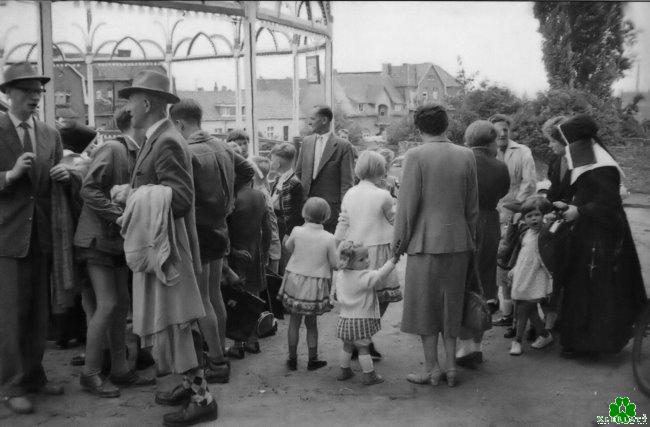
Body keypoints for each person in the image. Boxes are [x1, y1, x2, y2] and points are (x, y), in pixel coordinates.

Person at [118, 70, 218, 425]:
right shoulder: (158, 137)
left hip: (168, 251)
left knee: (176, 323)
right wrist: (134, 194)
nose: (127, 107)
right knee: (175, 321)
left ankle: (203, 398)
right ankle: (188, 386)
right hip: (164, 246)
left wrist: (132, 196)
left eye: (130, 100)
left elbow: (180, 200)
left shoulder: (167, 141)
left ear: (146, 102)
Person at [170, 98, 254, 384]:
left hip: (200, 229)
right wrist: (228, 199)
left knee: (203, 298)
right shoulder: (222, 146)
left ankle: (217, 361)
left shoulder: (188, 152)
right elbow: (248, 171)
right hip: (219, 228)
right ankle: (220, 352)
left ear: (179, 123)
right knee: (215, 294)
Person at [0, 62, 68, 415]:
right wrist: (9, 175)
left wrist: (65, 172)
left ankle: (34, 375)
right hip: (7, 238)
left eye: (38, 91)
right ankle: (11, 386)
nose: (34, 96)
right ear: (8, 94)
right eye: (26, 90)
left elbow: (57, 179)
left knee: (38, 314)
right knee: (10, 315)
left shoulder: (49, 134)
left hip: (41, 236)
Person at [393, 104, 478, 388]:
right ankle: (451, 367)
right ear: (447, 124)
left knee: (425, 309)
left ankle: (432, 369)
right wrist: (470, 239)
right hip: (458, 241)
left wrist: (399, 243)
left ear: (418, 129)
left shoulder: (415, 155)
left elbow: (407, 206)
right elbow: (472, 206)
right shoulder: (466, 155)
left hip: (424, 242)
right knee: (451, 305)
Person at [74, 107, 153, 397]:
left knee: (119, 307)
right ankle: (90, 373)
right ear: (134, 123)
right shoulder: (113, 148)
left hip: (114, 243)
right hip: (97, 241)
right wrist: (119, 214)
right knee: (107, 305)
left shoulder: (132, 152)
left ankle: (120, 369)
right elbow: (89, 190)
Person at [552, 114, 646, 358]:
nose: (566, 147)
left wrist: (579, 210)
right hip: (587, 232)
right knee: (582, 288)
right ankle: (579, 341)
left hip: (601, 237)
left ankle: (594, 345)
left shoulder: (602, 166)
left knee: (597, 291)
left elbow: (608, 204)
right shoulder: (591, 161)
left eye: (567, 140)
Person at [334, 150, 401, 361]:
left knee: (359, 294)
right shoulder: (383, 195)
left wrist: (337, 245)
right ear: (380, 170)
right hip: (378, 248)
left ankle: (359, 338)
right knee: (381, 295)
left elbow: (343, 221)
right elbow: (393, 220)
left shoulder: (350, 193)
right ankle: (365, 337)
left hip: (354, 248)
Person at [456, 120, 510, 368]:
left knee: (462, 282)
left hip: (463, 223)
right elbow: (501, 193)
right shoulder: (500, 167)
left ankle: (462, 346)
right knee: (484, 283)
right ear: (490, 142)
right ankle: (475, 346)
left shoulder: (459, 160)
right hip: (488, 224)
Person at [488, 113, 537, 334]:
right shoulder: (487, 152)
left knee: (510, 262)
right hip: (492, 213)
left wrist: (514, 208)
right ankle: (498, 304)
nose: (503, 134)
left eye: (506, 129)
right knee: (492, 259)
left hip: (515, 213)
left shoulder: (522, 151)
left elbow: (529, 184)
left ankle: (516, 317)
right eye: (498, 130)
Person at [279, 197, 337, 371]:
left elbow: (288, 247)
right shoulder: (329, 237)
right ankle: (313, 359)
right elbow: (334, 263)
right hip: (315, 285)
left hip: (295, 280)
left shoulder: (297, 231)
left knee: (294, 322)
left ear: (305, 212)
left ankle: (292, 359)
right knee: (311, 323)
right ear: (326, 216)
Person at [332, 241, 399, 385]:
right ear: (348, 261)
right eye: (361, 259)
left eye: (367, 256)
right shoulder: (363, 277)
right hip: (361, 319)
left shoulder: (341, 275)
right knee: (363, 348)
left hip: (345, 319)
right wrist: (393, 259)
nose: (367, 261)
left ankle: (344, 370)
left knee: (347, 346)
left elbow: (336, 295)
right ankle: (369, 375)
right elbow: (381, 273)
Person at [498, 196, 555, 356]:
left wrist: (550, 220)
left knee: (523, 308)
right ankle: (545, 335)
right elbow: (523, 255)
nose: (533, 219)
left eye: (537, 215)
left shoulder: (545, 233)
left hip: (535, 278)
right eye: (529, 216)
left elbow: (547, 253)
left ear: (543, 215)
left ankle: (517, 340)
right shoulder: (526, 234)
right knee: (531, 312)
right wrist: (514, 270)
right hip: (523, 276)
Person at [225, 170, 272, 359]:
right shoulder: (260, 196)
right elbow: (267, 227)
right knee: (252, 296)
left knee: (237, 298)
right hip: (256, 252)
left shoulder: (232, 197)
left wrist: (231, 252)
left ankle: (238, 344)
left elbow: (225, 229)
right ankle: (252, 340)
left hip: (238, 253)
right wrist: (265, 250)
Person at [295, 105, 355, 233]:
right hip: (306, 209)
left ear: (324, 120)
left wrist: (344, 211)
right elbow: (298, 174)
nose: (309, 122)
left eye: (312, 118)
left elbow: (347, 183)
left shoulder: (343, 146)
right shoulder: (306, 142)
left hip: (331, 212)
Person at [251, 155, 282, 274]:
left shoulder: (260, 194)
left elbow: (269, 226)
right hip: (271, 246)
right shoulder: (263, 189)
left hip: (269, 248)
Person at [270, 143, 304, 243]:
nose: (271, 163)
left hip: (285, 227)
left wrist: (289, 233)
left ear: (278, 162)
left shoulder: (294, 183)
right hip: (276, 223)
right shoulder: (279, 178)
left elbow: (296, 213)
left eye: (272, 160)